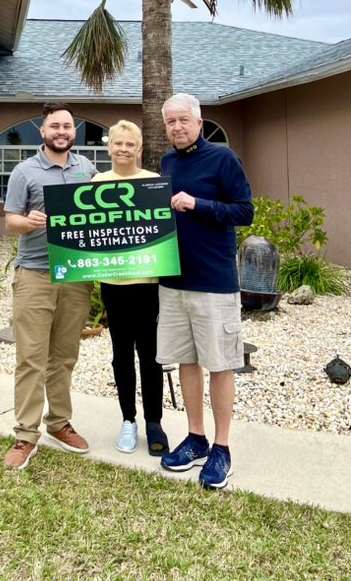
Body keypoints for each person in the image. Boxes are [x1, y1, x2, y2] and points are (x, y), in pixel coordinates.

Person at [156, 93, 254, 489]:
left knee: (220, 364)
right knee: (187, 361)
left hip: (213, 281)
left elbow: (244, 212)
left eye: (183, 120)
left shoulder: (223, 159)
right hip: (174, 281)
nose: (177, 127)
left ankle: (222, 447)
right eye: (170, 122)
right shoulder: (167, 163)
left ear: (198, 121)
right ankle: (195, 437)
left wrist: (198, 204)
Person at [3, 102, 97, 470]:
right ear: (42, 132)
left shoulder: (87, 169)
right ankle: (26, 435)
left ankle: (59, 423)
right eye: (54, 126)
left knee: (64, 356)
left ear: (74, 132)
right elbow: (10, 221)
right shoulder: (24, 172)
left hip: (75, 275)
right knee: (30, 358)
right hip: (35, 276)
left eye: (67, 126)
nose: (61, 131)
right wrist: (28, 222)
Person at [93, 120, 169, 457]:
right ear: (109, 147)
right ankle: (128, 420)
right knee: (121, 356)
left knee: (150, 357)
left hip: (148, 287)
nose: (123, 149)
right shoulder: (97, 183)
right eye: (118, 144)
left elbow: (164, 233)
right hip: (113, 286)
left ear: (139, 150)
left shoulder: (153, 184)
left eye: (130, 145)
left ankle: (154, 422)